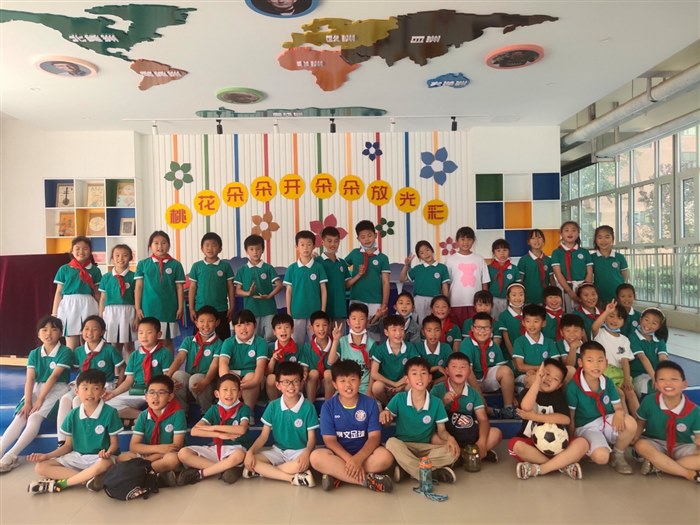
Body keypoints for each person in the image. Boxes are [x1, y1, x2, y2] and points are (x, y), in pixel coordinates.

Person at [27, 370, 122, 494]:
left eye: (96, 388)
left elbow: (114, 444)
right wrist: (47, 456)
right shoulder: (72, 415)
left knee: (105, 464)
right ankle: (88, 479)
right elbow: (68, 446)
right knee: (40, 466)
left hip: (99, 459)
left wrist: (108, 453)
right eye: (85, 388)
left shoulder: (110, 412)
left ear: (103, 391)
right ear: (77, 391)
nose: (90, 393)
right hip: (77, 457)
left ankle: (61, 484)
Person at [0, 316, 73, 472]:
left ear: (61, 333)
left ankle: (12, 455)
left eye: (54, 329)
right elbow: (30, 379)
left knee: (34, 417)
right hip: (37, 388)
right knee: (21, 415)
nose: (49, 333)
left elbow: (54, 377)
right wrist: (28, 401)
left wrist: (40, 400)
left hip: (57, 389)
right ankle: (1, 450)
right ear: (39, 334)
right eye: (44, 330)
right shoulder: (34, 353)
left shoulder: (65, 351)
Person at [310, 360, 394, 492]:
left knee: (386, 457)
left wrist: (358, 459)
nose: (348, 385)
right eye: (342, 381)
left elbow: (374, 437)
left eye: (353, 380)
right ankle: (367, 481)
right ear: (334, 384)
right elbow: (329, 441)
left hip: (365, 455)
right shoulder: (328, 406)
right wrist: (351, 460)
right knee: (316, 457)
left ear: (360, 381)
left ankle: (338, 475)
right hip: (339, 455)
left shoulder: (370, 403)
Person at [380, 357, 460, 483]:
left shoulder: (436, 402)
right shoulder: (399, 398)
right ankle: (430, 473)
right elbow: (387, 422)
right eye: (414, 373)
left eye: (423, 373)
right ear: (407, 379)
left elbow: (442, 431)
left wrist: (450, 438)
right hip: (404, 446)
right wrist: (385, 414)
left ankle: (409, 470)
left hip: (426, 447)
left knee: (452, 452)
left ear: (429, 378)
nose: (419, 377)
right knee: (391, 443)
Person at [509, 360, 588, 480]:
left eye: (555, 379)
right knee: (517, 446)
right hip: (532, 444)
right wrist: (537, 381)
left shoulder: (558, 396)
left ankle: (540, 469)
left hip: (559, 444)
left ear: (560, 385)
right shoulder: (528, 392)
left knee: (582, 444)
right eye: (546, 374)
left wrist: (535, 417)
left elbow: (566, 419)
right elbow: (526, 407)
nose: (549, 379)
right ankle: (562, 465)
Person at [243, 362, 319, 487]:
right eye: (286, 382)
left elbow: (312, 439)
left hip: (300, 451)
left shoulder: (308, 407)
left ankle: (265, 471)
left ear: (302, 383)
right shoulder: (273, 406)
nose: (291, 386)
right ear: (278, 385)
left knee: (302, 464)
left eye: (295, 381)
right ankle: (292, 478)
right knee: (253, 460)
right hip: (278, 451)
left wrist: (306, 453)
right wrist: (250, 452)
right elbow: (263, 436)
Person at [566, 341, 636, 474]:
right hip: (587, 427)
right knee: (602, 457)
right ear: (580, 363)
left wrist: (619, 413)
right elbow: (571, 417)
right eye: (590, 360)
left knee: (630, 423)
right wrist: (571, 442)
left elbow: (618, 407)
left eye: (600, 360)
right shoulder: (573, 387)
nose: (596, 365)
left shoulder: (607, 382)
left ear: (606, 362)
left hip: (606, 420)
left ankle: (617, 454)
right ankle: (593, 450)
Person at [57, 316, 124, 445]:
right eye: (86, 329)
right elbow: (78, 369)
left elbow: (122, 368)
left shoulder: (109, 349)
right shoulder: (79, 351)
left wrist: (118, 386)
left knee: (77, 400)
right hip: (82, 383)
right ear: (81, 331)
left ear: (102, 332)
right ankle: (62, 440)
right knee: (65, 399)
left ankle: (80, 437)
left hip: (103, 385)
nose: (89, 332)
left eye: (94, 329)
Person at [633, 361, 700, 483]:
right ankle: (687, 473)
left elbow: (698, 437)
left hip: (682, 446)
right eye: (662, 379)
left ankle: (659, 465)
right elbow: (641, 422)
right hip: (655, 443)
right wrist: (635, 436)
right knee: (641, 445)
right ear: (656, 384)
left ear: (684, 384)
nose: (668, 383)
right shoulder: (649, 401)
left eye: (674, 379)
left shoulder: (695, 411)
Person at [177, 374, 250, 485]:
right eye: (225, 390)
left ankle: (200, 473)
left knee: (239, 455)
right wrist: (219, 435)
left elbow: (241, 429)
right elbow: (194, 431)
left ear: (239, 393)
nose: (229, 394)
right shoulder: (214, 409)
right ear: (217, 394)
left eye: (233, 390)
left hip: (235, 449)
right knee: (183, 453)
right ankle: (224, 469)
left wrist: (214, 428)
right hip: (216, 448)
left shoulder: (243, 409)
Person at [431, 353, 501, 462]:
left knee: (496, 433)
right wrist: (443, 402)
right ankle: (473, 455)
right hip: (446, 433)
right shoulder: (437, 389)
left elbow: (482, 419)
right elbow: (430, 416)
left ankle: (464, 456)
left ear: (469, 372)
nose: (459, 370)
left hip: (467, 432)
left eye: (463, 367)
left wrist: (482, 442)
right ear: (447, 371)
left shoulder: (474, 393)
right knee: (433, 439)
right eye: (454, 367)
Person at [120, 375, 186, 487]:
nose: (155, 397)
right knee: (122, 458)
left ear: (170, 396)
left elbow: (176, 446)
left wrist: (149, 458)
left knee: (172, 460)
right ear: (146, 397)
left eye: (161, 393)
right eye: (151, 392)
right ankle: (153, 474)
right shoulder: (143, 415)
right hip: (152, 453)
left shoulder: (178, 414)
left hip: (168, 454)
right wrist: (157, 450)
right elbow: (133, 446)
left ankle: (140, 474)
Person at [103, 317, 173, 418]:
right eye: (140, 333)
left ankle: (138, 418)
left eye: (149, 332)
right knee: (109, 405)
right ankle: (145, 417)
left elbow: (167, 378)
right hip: (138, 391)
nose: (144, 336)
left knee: (167, 403)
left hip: (156, 392)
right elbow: (129, 381)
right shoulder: (134, 355)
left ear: (159, 334)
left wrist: (157, 391)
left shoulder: (165, 353)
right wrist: (113, 393)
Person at [134, 231, 185, 352]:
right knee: (149, 340)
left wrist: (180, 307)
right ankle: (149, 363)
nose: (160, 246)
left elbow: (179, 288)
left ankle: (168, 364)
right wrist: (138, 308)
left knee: (167, 341)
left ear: (169, 245)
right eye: (156, 243)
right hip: (148, 308)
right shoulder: (143, 264)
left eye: (163, 243)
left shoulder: (176, 265)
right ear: (150, 246)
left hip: (168, 308)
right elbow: (138, 287)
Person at [459, 312, 516, 418]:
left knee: (506, 371)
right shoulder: (466, 344)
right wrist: (480, 395)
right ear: (472, 328)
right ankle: (488, 411)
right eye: (478, 327)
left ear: (491, 329)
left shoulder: (493, 345)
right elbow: (468, 372)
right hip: (470, 381)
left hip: (485, 379)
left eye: (486, 328)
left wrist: (512, 396)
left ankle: (508, 409)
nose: (482, 331)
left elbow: (501, 368)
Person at [169, 306, 222, 413]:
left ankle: (207, 412)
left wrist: (205, 382)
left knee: (196, 378)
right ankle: (181, 412)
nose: (205, 325)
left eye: (210, 321)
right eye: (201, 321)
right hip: (190, 380)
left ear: (217, 323)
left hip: (208, 383)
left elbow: (214, 365)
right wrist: (168, 376)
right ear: (196, 323)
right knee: (177, 376)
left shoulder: (219, 343)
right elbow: (179, 358)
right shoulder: (189, 340)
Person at [52, 236, 102, 349]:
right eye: (77, 248)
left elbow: (97, 292)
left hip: (88, 304)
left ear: (90, 251)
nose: (81, 252)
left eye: (85, 248)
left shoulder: (95, 270)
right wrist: (54, 313)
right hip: (69, 305)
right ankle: (71, 361)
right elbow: (59, 292)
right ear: (72, 251)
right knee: (71, 342)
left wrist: (101, 311)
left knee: (89, 339)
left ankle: (88, 360)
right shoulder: (64, 269)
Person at [344, 220, 391, 336]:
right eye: (363, 237)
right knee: (356, 331)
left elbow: (385, 282)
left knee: (373, 333)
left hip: (376, 300)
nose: (366, 239)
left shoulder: (383, 258)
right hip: (356, 298)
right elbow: (340, 267)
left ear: (375, 235)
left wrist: (384, 304)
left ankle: (372, 349)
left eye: (369, 235)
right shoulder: (354, 253)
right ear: (358, 239)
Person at [234, 234, 283, 342]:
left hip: (269, 309)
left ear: (263, 250)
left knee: (271, 336)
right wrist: (248, 293)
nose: (255, 252)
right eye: (251, 249)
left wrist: (269, 296)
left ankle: (269, 351)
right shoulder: (242, 270)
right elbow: (237, 290)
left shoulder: (268, 268)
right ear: (246, 251)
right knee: (254, 336)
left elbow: (279, 285)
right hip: (251, 310)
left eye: (258, 249)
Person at [218, 309, 268, 414]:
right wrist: (229, 382)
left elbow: (260, 368)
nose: (243, 328)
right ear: (234, 327)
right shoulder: (228, 342)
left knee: (250, 377)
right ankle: (230, 413)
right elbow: (223, 364)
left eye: (247, 324)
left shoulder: (261, 342)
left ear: (255, 325)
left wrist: (252, 382)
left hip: (252, 377)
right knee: (229, 377)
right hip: (233, 375)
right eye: (239, 325)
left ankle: (248, 413)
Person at [591, 301, 637, 415]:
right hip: (604, 373)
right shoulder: (600, 333)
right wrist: (607, 311)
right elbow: (594, 327)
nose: (614, 320)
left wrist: (627, 379)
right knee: (620, 394)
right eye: (611, 316)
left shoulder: (624, 340)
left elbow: (624, 361)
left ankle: (639, 420)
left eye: (619, 318)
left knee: (630, 392)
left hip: (620, 373)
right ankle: (626, 419)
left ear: (624, 322)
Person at [284, 230, 328, 345]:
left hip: (315, 314)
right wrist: (289, 312)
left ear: (314, 246)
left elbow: (323, 290)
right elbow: (288, 291)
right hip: (297, 313)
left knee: (317, 343)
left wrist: (322, 311)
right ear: (297, 247)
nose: (305, 248)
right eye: (302, 245)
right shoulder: (292, 268)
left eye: (309, 244)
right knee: (296, 344)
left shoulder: (318, 267)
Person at [188, 232, 235, 340]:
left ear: (220, 249)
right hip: (201, 309)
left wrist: (232, 306)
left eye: (214, 245)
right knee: (200, 339)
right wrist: (191, 308)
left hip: (221, 309)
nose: (210, 248)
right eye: (207, 245)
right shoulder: (196, 266)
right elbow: (192, 288)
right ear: (202, 248)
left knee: (222, 338)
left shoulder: (225, 266)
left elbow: (230, 287)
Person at [512, 304, 565, 391]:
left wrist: (541, 371)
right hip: (524, 376)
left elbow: (555, 364)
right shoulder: (519, 342)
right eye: (528, 321)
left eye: (536, 321)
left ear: (543, 323)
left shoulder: (550, 342)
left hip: (545, 374)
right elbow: (520, 367)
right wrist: (540, 369)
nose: (531, 325)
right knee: (535, 379)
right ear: (523, 322)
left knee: (556, 379)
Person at [445, 226, 490, 327]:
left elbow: (484, 282)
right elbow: (446, 284)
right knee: (457, 330)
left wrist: (485, 301)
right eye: (462, 239)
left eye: (469, 239)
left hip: (476, 304)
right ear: (457, 241)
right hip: (455, 303)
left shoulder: (479, 259)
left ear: (473, 241)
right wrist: (446, 302)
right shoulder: (450, 260)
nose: (466, 242)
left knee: (475, 329)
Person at [370, 314, 419, 405]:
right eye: (394, 330)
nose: (398, 333)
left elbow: (416, 368)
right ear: (386, 332)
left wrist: (401, 385)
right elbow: (374, 373)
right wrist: (394, 384)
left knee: (412, 386)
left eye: (401, 329)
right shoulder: (380, 349)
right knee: (376, 387)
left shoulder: (410, 347)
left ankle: (402, 407)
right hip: (387, 385)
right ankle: (388, 406)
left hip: (403, 384)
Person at [328, 303, 376, 394]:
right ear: (348, 322)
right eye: (354, 319)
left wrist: (369, 391)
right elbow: (331, 361)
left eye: (361, 319)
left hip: (364, 387)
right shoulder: (342, 341)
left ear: (367, 321)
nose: (357, 322)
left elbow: (373, 372)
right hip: (345, 387)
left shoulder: (372, 344)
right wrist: (336, 340)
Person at [98, 244, 137, 357]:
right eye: (117, 255)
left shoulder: (134, 276)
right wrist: (100, 316)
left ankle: (131, 367)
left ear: (130, 257)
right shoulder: (106, 277)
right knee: (115, 345)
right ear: (112, 257)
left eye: (125, 255)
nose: (121, 258)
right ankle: (118, 367)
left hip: (128, 312)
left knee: (129, 345)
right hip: (110, 313)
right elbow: (103, 298)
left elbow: (137, 298)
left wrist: (136, 317)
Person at [399, 240, 450, 322]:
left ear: (432, 250)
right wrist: (406, 265)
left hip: (435, 300)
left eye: (427, 250)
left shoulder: (442, 268)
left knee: (434, 322)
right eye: (421, 253)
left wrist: (445, 301)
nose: (426, 254)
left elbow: (445, 286)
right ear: (419, 257)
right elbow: (402, 279)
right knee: (419, 323)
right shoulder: (417, 268)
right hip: (419, 300)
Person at [551, 221, 593, 312]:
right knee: (568, 315)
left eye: (573, 230)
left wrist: (585, 290)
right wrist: (570, 292)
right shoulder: (556, 253)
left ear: (578, 233)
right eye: (566, 230)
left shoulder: (584, 252)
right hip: (565, 288)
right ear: (561, 233)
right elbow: (558, 274)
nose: (570, 233)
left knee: (584, 313)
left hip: (583, 287)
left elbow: (589, 272)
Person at [629, 308, 669, 397]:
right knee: (653, 388)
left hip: (655, 374)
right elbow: (642, 358)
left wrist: (665, 375)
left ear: (659, 326)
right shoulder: (633, 337)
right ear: (640, 319)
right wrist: (654, 377)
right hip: (638, 375)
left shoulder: (659, 338)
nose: (648, 324)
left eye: (654, 323)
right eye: (646, 320)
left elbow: (663, 358)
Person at [315, 226, 351, 325]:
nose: (333, 244)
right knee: (323, 334)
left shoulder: (342, 263)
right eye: (329, 241)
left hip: (340, 308)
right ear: (322, 242)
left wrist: (359, 275)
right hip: (322, 308)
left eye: (336, 241)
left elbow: (346, 284)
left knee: (339, 333)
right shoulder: (316, 262)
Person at [266, 313, 305, 401]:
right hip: (278, 385)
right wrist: (273, 359)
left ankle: (297, 402)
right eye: (279, 328)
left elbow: (302, 371)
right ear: (274, 331)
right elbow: (267, 372)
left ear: (292, 330)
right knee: (270, 378)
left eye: (287, 327)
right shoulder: (269, 348)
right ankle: (275, 405)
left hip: (293, 384)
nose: (283, 330)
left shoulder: (299, 348)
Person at [300, 310, 335, 400]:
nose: (321, 329)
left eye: (324, 325)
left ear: (329, 326)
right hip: (312, 385)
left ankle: (328, 405)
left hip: (330, 384)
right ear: (311, 328)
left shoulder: (335, 345)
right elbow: (305, 367)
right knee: (313, 373)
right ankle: (310, 404)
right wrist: (304, 373)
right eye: (317, 325)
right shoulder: (307, 347)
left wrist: (336, 341)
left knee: (328, 373)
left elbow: (331, 362)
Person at [591, 225, 628, 306]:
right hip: (599, 296)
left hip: (617, 296)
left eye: (607, 237)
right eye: (600, 237)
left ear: (612, 239)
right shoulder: (592, 258)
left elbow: (624, 276)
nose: (603, 240)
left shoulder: (620, 257)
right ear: (595, 240)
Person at [517, 229, 554, 306]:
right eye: (533, 238)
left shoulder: (548, 260)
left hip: (545, 299)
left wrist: (554, 295)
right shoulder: (523, 260)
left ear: (543, 240)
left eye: (539, 237)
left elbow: (552, 280)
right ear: (528, 242)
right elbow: (520, 281)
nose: (536, 240)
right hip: (528, 300)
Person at [416, 315, 453, 384]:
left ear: (441, 330)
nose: (433, 334)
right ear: (423, 332)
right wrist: (437, 367)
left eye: (437, 330)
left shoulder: (446, 348)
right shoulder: (417, 347)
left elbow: (450, 372)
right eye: (429, 330)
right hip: (420, 383)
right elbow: (417, 370)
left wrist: (434, 382)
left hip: (441, 383)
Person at [495, 282, 527, 360]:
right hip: (511, 355)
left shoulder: (529, 313)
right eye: (514, 295)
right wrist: (515, 358)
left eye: (521, 294)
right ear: (508, 297)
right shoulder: (504, 316)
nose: (518, 298)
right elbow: (507, 340)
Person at [488, 239, 517, 319]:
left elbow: (516, 286)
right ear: (493, 253)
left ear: (509, 251)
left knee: (507, 319)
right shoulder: (489, 268)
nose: (502, 253)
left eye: (505, 250)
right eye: (498, 250)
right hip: (493, 300)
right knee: (493, 320)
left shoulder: (514, 268)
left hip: (509, 300)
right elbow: (486, 285)